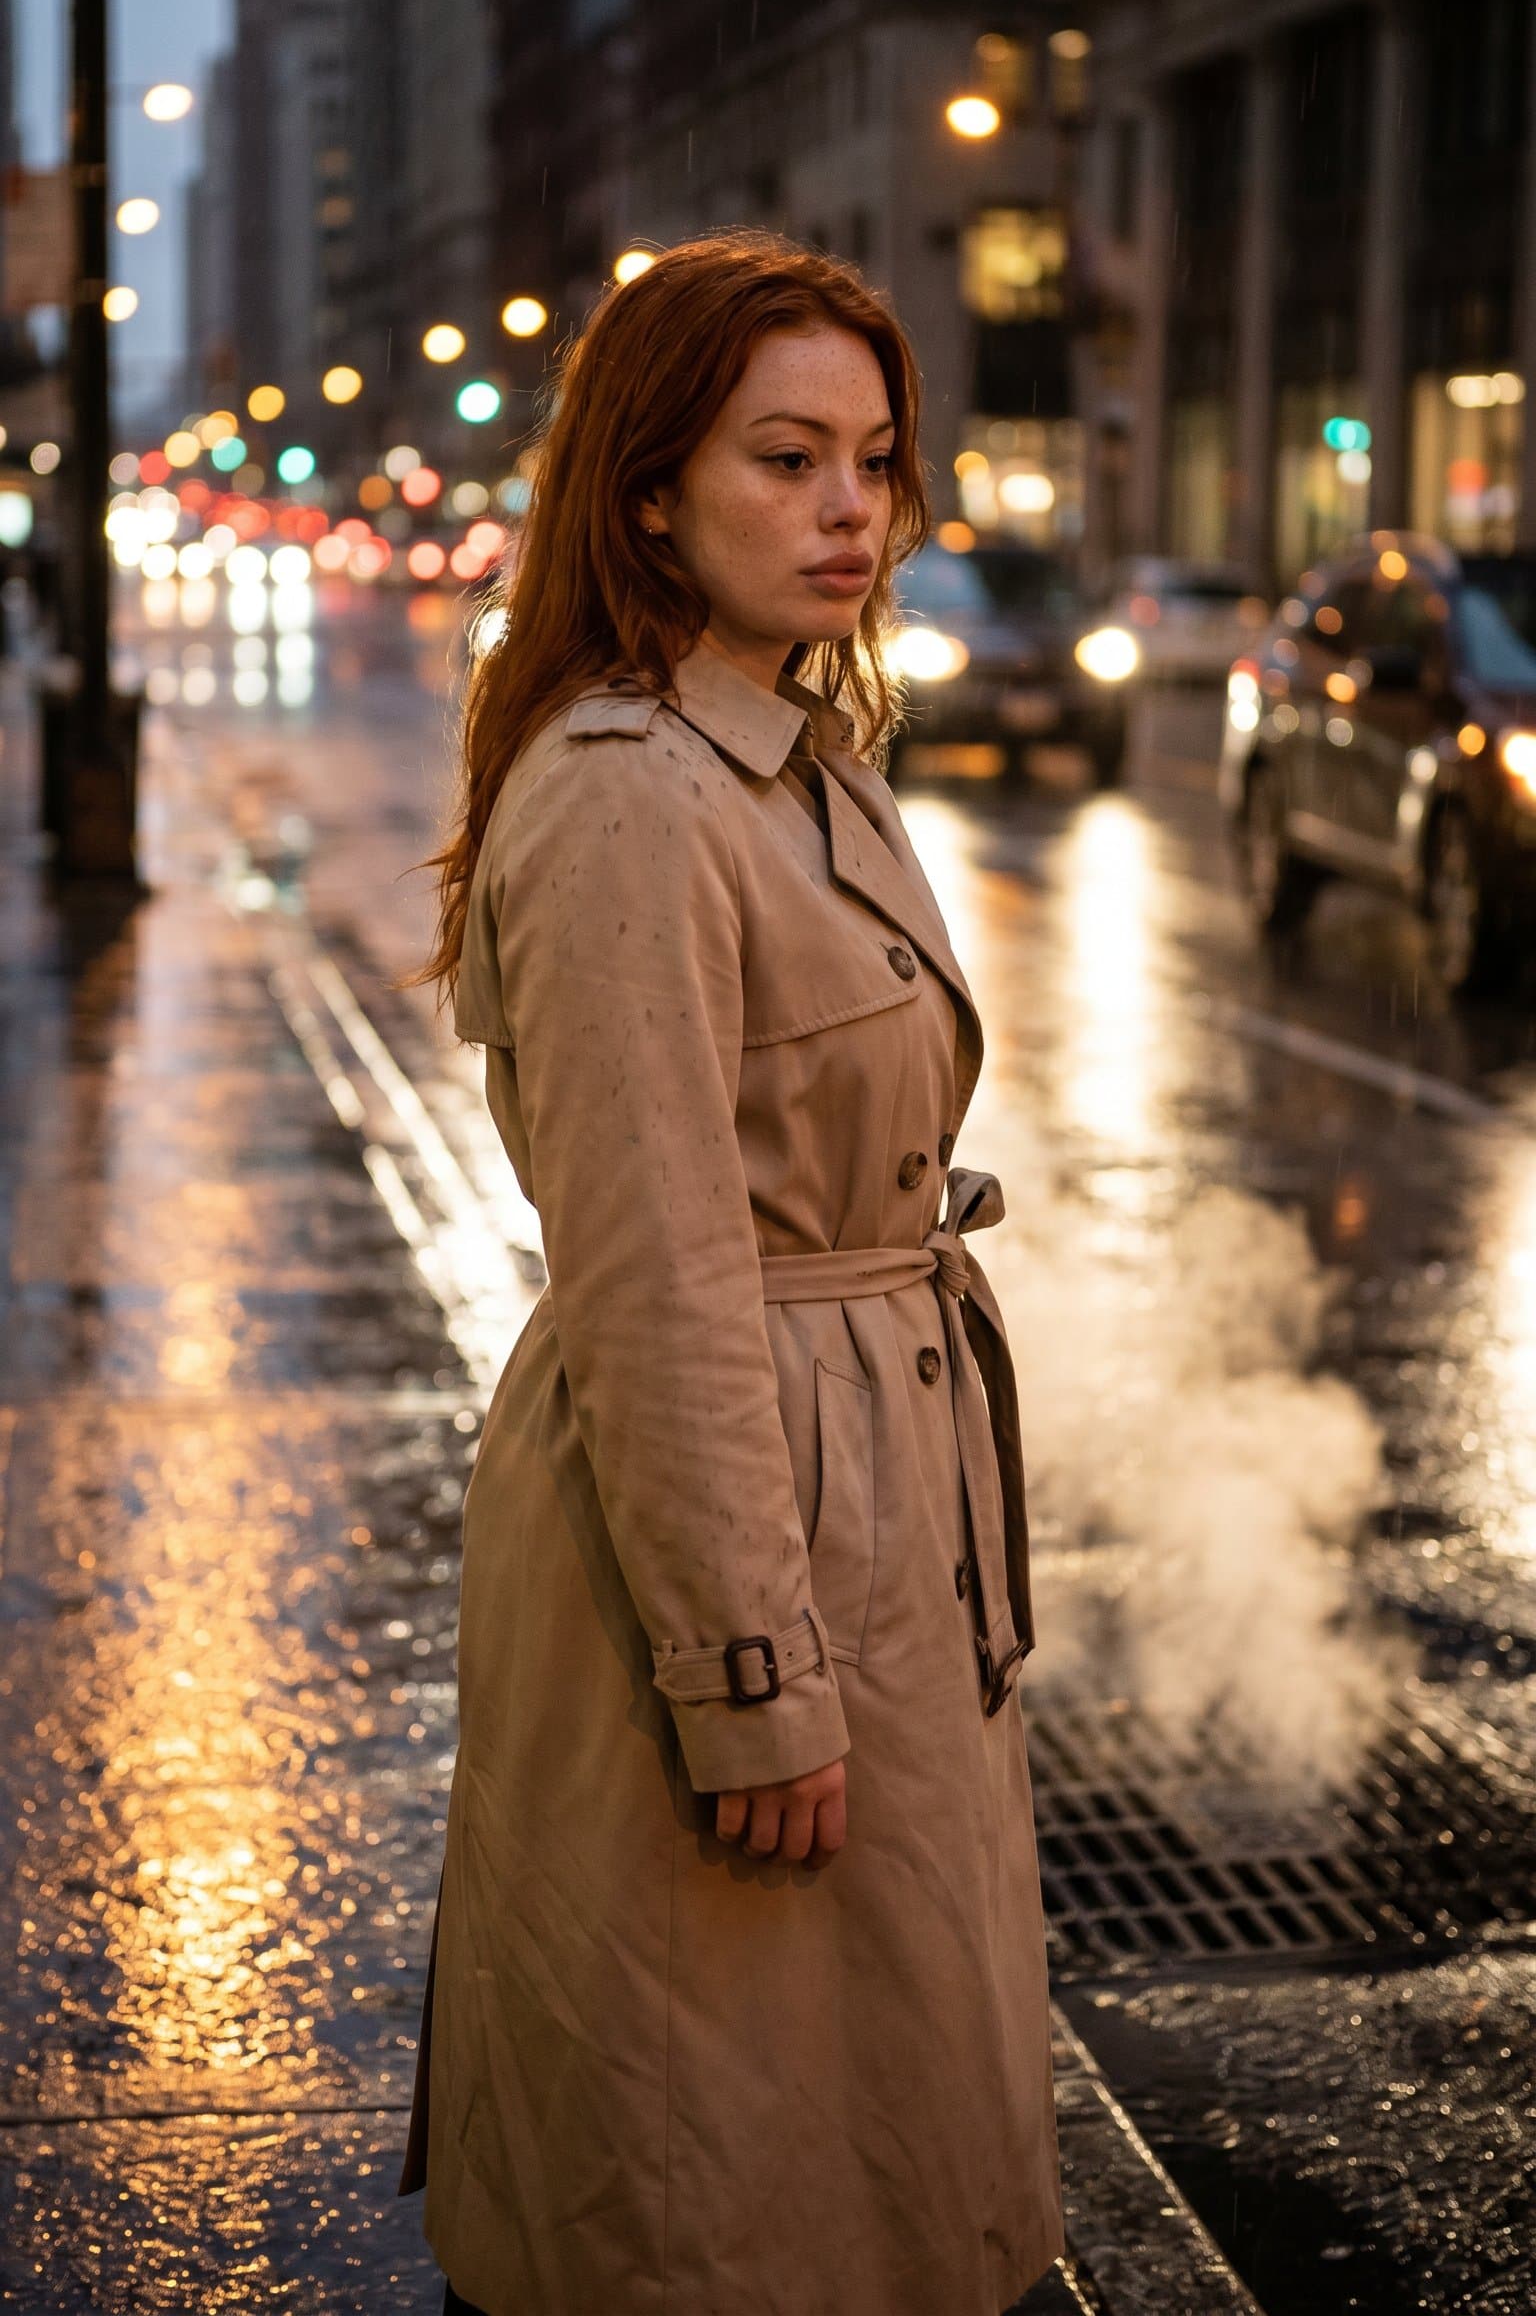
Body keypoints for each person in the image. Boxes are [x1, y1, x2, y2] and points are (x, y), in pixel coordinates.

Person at [402, 232, 1062, 2316]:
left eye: (875, 456)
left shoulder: (788, 746)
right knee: (711, 2167)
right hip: (735, 1521)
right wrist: (749, 1680)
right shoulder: (626, 797)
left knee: (847, 2138)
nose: (853, 503)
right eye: (787, 455)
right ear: (651, 485)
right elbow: (658, 1276)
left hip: (865, 1495)